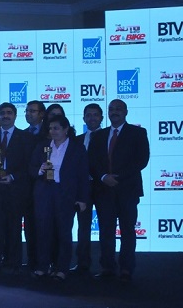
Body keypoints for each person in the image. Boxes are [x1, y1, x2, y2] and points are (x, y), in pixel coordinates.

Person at [88, 99, 149, 282]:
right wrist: (103, 177)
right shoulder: (99, 135)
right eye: (111, 109)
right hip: (104, 190)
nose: (114, 112)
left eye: (118, 109)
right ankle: (107, 267)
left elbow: (142, 160)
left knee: (127, 231)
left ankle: (126, 268)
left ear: (126, 112)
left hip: (128, 190)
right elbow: (92, 161)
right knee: (106, 231)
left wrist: (117, 178)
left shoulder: (138, 133)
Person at [30, 115, 89, 281]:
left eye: (56, 128)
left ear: (66, 129)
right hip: (44, 192)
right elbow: (31, 168)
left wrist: (82, 198)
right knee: (43, 231)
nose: (52, 131)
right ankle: (43, 266)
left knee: (64, 232)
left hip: (65, 194)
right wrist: (40, 170)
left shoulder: (77, 148)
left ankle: (62, 268)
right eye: (50, 128)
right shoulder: (42, 146)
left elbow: (83, 175)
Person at [0, 102, 35, 274]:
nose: (5, 116)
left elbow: (29, 165)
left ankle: (14, 263)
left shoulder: (26, 138)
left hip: (15, 190)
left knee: (14, 228)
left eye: (9, 113)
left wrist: (12, 177)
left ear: (15, 116)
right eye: (2, 113)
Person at [72, 103, 103, 274]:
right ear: (83, 118)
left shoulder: (108, 137)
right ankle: (83, 263)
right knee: (83, 227)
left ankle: (107, 266)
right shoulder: (77, 140)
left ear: (101, 118)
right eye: (88, 115)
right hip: (82, 189)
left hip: (104, 188)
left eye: (95, 115)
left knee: (106, 228)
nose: (92, 118)